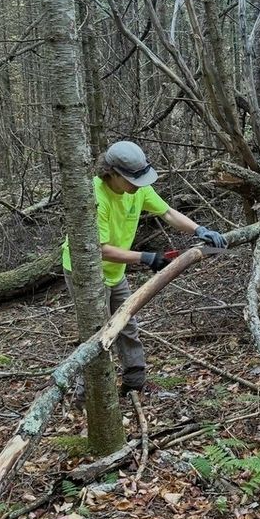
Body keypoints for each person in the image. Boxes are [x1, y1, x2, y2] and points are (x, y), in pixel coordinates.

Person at [62, 140, 227, 395]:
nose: (137, 186)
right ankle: (87, 394)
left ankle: (134, 382)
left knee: (127, 322)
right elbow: (100, 249)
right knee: (98, 333)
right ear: (112, 173)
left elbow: (169, 213)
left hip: (115, 272)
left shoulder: (138, 190)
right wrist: (146, 257)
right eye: (130, 180)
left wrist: (200, 230)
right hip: (87, 273)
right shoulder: (95, 196)